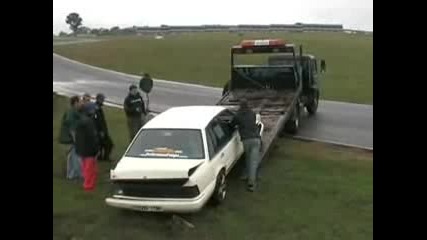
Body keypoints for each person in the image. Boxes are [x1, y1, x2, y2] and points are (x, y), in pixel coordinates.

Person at [231, 98, 262, 192]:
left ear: (240, 106)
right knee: (253, 160)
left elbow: (232, 124)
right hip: (256, 139)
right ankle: (250, 181)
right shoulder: (252, 113)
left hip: (246, 140)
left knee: (249, 159)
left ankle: (249, 179)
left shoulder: (238, 115)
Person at [75, 104, 100, 192]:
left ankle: (87, 184)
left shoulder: (80, 121)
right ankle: (88, 185)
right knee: (90, 169)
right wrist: (96, 149)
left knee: (85, 167)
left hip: (82, 149)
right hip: (89, 150)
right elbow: (92, 137)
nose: (94, 112)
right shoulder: (89, 122)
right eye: (92, 110)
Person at [59, 96, 83, 180]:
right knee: (75, 157)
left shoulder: (73, 111)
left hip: (68, 139)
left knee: (72, 157)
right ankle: (74, 175)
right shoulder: (71, 113)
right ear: (75, 103)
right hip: (69, 139)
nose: (81, 103)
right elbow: (72, 129)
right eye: (80, 102)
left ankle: (71, 175)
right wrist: (76, 140)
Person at [94, 93, 114, 161]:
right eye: (102, 99)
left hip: (102, 130)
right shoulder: (96, 108)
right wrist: (100, 131)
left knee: (104, 144)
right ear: (98, 99)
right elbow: (97, 121)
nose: (103, 101)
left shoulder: (99, 107)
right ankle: (103, 157)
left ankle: (103, 157)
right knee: (108, 144)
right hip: (100, 131)